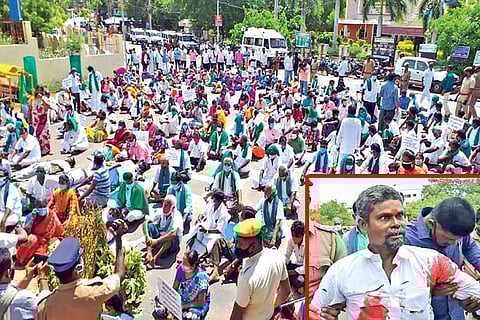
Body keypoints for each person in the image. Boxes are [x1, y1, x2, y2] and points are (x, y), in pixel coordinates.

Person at [311, 184, 480, 320]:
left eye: (400, 216)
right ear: (363, 225)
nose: (396, 223)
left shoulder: (431, 261)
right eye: (384, 217)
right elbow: (316, 312)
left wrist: (471, 302)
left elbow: (473, 291)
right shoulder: (341, 271)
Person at [405, 197, 480, 320]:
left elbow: (470, 248)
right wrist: (429, 290)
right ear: (431, 223)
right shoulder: (406, 240)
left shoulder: (457, 230)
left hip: (456, 314)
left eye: (457, 240)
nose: (453, 244)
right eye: (449, 239)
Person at [37, 228, 126, 320]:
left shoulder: (46, 305)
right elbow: (119, 274)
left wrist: (42, 277)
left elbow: (44, 296)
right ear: (78, 267)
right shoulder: (94, 292)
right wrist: (118, 240)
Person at [229, 218, 291, 320]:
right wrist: (271, 307)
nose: (237, 247)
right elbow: (286, 290)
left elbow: (237, 315)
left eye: (240, 244)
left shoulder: (247, 277)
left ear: (253, 247)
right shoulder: (277, 256)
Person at [186, 191, 230, 283]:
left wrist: (206, 231)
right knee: (195, 230)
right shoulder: (211, 204)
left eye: (214, 199)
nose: (213, 201)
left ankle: (198, 258)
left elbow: (219, 230)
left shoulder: (224, 213)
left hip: (215, 234)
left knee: (212, 242)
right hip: (207, 227)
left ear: (219, 201)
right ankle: (188, 252)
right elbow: (203, 212)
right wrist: (200, 218)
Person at [0, 248, 51, 319]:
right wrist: (43, 277)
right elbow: (45, 307)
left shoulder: (18, 296)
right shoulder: (25, 298)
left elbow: (8, 297)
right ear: (7, 272)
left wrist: (27, 277)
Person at [144, 195, 183, 268]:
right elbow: (145, 222)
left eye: (167, 206)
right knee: (149, 226)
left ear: (173, 208)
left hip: (171, 242)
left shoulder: (177, 216)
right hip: (160, 236)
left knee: (171, 238)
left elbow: (173, 234)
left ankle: (155, 258)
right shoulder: (161, 211)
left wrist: (156, 241)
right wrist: (149, 249)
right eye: (164, 205)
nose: (164, 208)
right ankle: (149, 253)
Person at [174, 250, 210, 320]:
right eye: (182, 261)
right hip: (183, 297)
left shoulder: (201, 278)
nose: (182, 264)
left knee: (191, 317)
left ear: (193, 266)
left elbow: (201, 302)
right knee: (161, 303)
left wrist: (183, 306)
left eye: (185, 263)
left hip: (196, 304)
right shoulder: (180, 269)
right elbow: (175, 288)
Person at [255, 184, 284, 249]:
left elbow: (278, 222)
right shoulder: (263, 200)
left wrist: (274, 238)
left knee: (270, 238)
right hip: (266, 227)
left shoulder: (279, 203)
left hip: (275, 229)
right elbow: (255, 210)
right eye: (264, 191)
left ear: (272, 193)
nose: (264, 194)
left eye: (267, 192)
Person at [285, 220, 305, 295]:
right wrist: (284, 267)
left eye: (297, 236)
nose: (294, 238)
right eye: (293, 235)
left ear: (302, 235)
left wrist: (290, 273)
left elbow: (306, 268)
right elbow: (287, 256)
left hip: (305, 270)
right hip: (297, 266)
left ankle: (301, 286)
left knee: (300, 280)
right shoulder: (291, 241)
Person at [31, 90, 51, 156]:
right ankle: (40, 150)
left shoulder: (45, 99)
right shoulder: (33, 100)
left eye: (40, 90)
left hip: (44, 119)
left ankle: (47, 149)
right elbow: (31, 109)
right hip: (36, 120)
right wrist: (29, 118)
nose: (39, 92)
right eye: (38, 90)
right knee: (38, 135)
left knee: (45, 134)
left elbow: (48, 107)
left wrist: (42, 99)